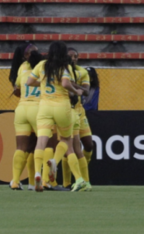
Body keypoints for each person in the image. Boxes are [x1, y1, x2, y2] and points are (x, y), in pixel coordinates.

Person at [26, 41, 87, 192]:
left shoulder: (42, 65)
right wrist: (76, 91)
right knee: (66, 140)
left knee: (41, 141)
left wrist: (42, 84)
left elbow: (29, 82)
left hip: (45, 106)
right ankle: (55, 161)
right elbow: (66, 83)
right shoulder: (64, 67)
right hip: (62, 106)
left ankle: (38, 174)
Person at [9, 44, 43, 190]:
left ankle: (15, 181)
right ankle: (40, 180)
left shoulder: (22, 67)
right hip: (38, 109)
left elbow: (16, 88)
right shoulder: (43, 67)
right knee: (42, 146)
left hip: (22, 109)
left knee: (21, 147)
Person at [61, 47, 92, 191]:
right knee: (70, 147)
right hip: (65, 111)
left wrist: (72, 85)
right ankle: (68, 182)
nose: (74, 58)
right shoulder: (61, 70)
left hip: (80, 112)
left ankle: (82, 178)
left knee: (89, 145)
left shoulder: (82, 71)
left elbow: (85, 91)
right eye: (71, 56)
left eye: (76, 56)